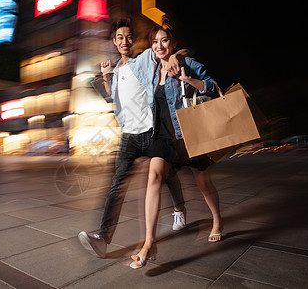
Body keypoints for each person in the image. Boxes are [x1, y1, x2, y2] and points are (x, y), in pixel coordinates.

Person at [78, 19, 189, 258]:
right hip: (129, 135)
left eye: (129, 37)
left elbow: (176, 50)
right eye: (120, 37)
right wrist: (107, 77)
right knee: (117, 186)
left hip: (151, 130)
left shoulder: (146, 58)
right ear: (114, 41)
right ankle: (103, 239)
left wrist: (174, 57)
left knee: (166, 174)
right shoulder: (117, 70)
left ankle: (179, 208)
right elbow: (113, 99)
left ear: (135, 40)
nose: (124, 41)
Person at [129, 20, 224, 269]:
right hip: (162, 137)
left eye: (165, 40)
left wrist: (187, 77)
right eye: (155, 42)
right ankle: (149, 243)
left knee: (204, 183)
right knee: (153, 178)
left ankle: (217, 219)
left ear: (172, 43)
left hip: (189, 134)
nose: (159, 46)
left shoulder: (187, 64)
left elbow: (214, 87)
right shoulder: (150, 70)